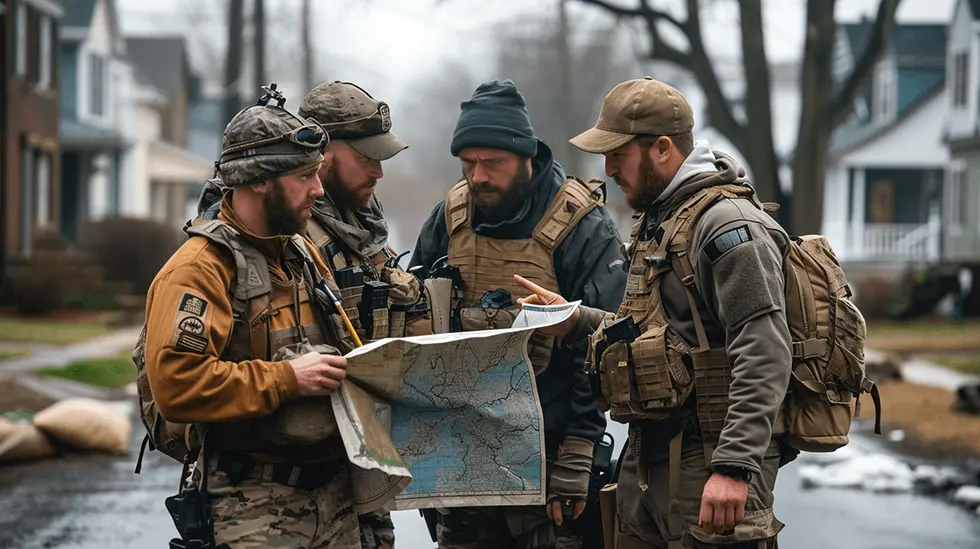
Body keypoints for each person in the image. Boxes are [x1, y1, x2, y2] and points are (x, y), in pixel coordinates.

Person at [515, 76, 792, 549]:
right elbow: (658, 335)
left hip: (710, 465)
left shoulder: (727, 228)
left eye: (617, 156)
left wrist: (734, 467)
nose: (608, 170)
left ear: (662, 148)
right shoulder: (661, 219)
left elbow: (765, 351)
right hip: (650, 460)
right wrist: (576, 320)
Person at [137, 84, 363, 549]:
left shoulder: (299, 253)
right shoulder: (199, 270)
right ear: (260, 179)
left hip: (335, 498)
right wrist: (286, 379)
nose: (318, 190)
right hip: (252, 505)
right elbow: (177, 386)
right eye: (305, 177)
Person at [409, 79, 628, 549]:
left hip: (547, 465)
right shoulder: (450, 217)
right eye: (468, 163)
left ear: (527, 158)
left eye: (493, 163)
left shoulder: (581, 227)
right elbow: (414, 328)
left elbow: (604, 348)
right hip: (463, 457)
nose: (479, 176)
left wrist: (578, 454)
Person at [297, 80, 429, 549]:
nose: (378, 171)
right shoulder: (289, 232)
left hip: (363, 461)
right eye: (366, 157)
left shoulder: (362, 225)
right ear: (323, 152)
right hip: (301, 478)